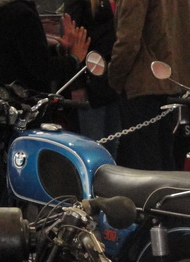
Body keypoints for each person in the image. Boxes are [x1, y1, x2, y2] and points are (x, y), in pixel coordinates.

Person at [108, 0, 190, 171]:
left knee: (143, 167)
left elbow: (128, 40)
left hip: (144, 86)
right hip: (181, 86)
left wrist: (114, 79)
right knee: (173, 163)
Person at [0, 2, 88, 94]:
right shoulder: (22, 15)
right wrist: (74, 59)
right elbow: (42, 68)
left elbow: (23, 55)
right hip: (22, 100)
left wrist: (59, 49)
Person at [65, 0, 120, 158]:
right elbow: (72, 40)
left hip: (113, 77)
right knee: (94, 144)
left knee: (114, 142)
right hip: (89, 77)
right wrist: (76, 85)